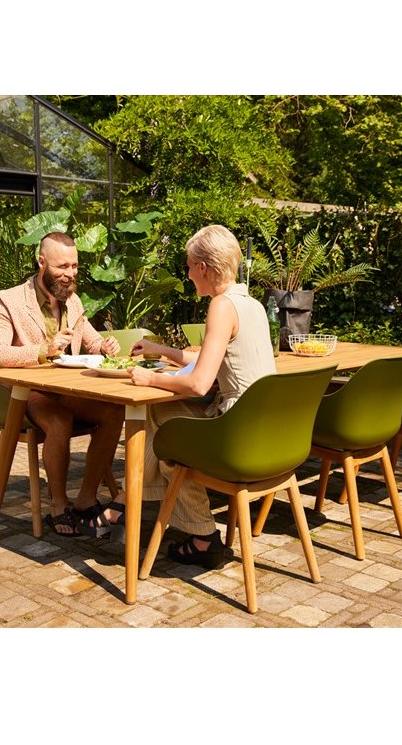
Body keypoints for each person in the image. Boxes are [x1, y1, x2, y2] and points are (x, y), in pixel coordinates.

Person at [75, 224, 276, 568]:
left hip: (237, 436)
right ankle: (125, 503)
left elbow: (199, 384)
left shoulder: (221, 306)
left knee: (164, 433)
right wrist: (162, 351)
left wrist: (150, 379)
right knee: (165, 420)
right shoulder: (252, 304)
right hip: (268, 432)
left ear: (203, 267)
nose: (188, 274)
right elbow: (210, 359)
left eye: (189, 266)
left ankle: (201, 535)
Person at [0, 232, 125, 537]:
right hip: (30, 394)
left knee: (114, 411)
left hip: (67, 390)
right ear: (42, 263)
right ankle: (58, 505)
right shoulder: (8, 300)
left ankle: (86, 500)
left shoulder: (72, 300)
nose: (70, 274)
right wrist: (43, 350)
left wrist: (105, 346)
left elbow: (92, 340)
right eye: (62, 267)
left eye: (74, 266)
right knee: (60, 421)